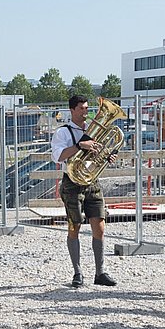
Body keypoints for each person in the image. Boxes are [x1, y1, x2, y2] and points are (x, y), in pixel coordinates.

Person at [49, 94, 115, 288]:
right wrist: (79, 145)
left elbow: (102, 152)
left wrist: (107, 156)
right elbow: (58, 156)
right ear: (72, 110)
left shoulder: (94, 130)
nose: (86, 112)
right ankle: (77, 272)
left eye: (87, 108)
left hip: (92, 181)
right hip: (72, 182)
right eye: (82, 109)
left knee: (100, 226)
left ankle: (100, 272)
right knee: (74, 226)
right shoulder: (63, 132)